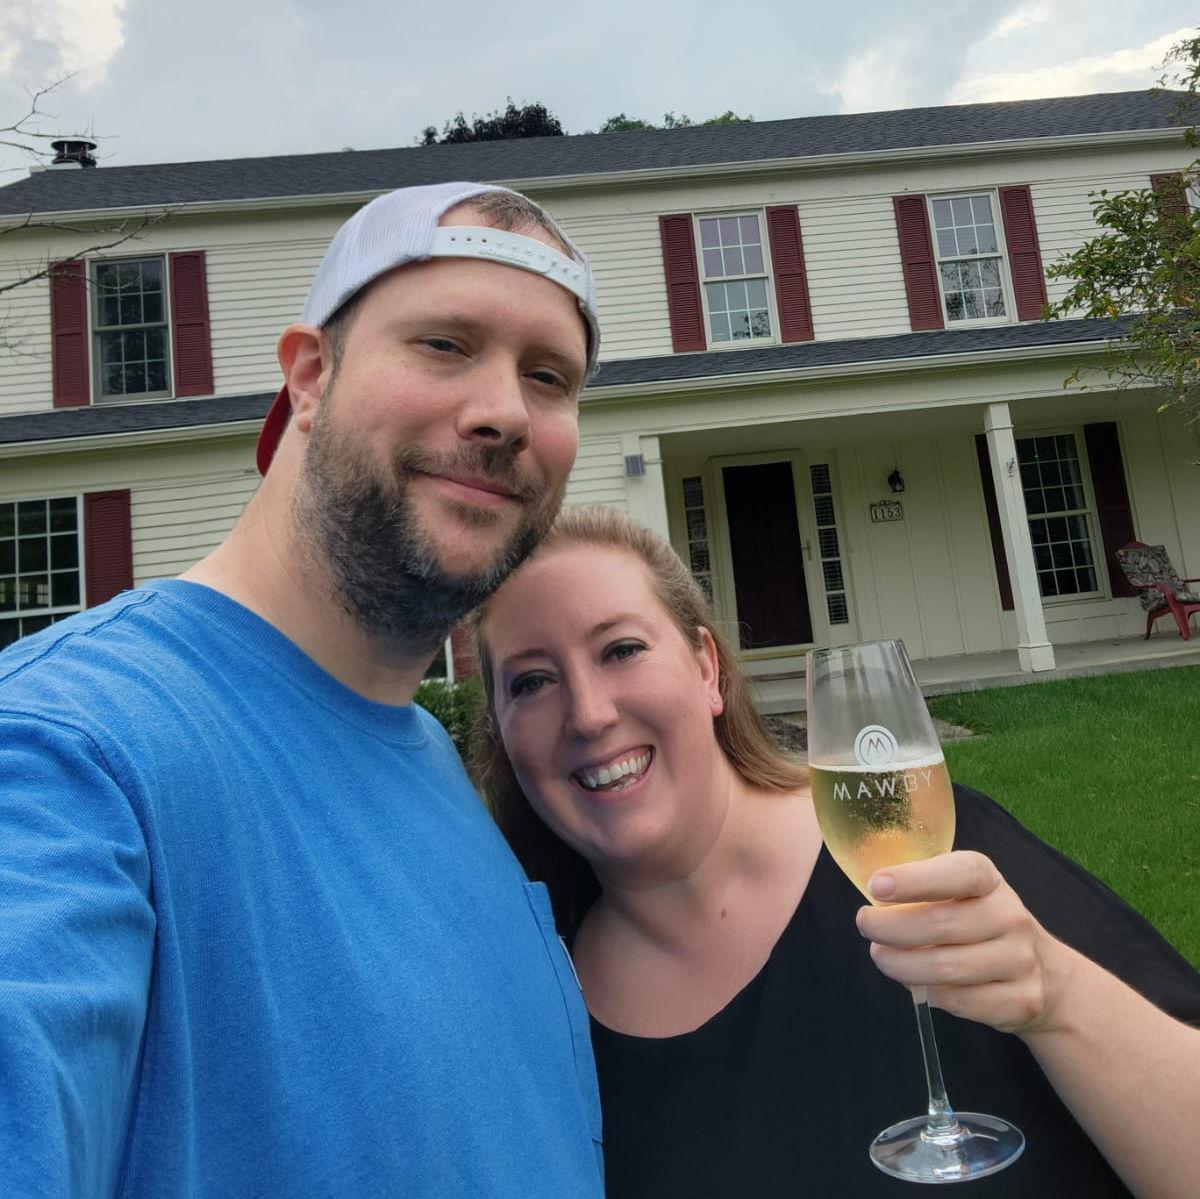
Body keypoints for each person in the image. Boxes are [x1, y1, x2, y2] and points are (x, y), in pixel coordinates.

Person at [0, 182, 606, 1197]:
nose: (506, 411)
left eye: (548, 376)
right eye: (445, 344)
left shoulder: (429, 756)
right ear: (311, 376)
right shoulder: (67, 750)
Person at [472, 505, 1200, 1199]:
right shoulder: (531, 1017)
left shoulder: (928, 860)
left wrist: (1057, 994)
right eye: (531, 681)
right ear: (502, 729)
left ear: (705, 667)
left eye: (622, 649)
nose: (589, 713)